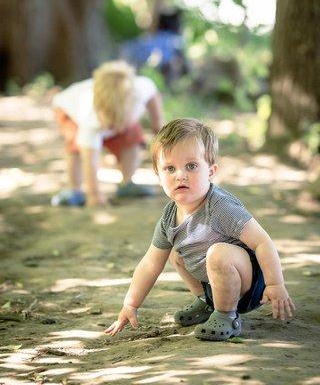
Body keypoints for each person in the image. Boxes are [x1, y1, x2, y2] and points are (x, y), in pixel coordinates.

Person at [105, 118, 295, 341]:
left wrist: (275, 284)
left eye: (192, 166)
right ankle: (208, 302)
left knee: (217, 253)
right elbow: (150, 263)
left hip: (248, 285)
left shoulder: (220, 206)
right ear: (158, 175)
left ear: (211, 171)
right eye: (170, 168)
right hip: (212, 283)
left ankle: (227, 315)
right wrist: (130, 303)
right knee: (175, 252)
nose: (180, 175)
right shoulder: (169, 217)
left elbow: (262, 241)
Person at [51, 60, 164, 207]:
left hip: (115, 115)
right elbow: (90, 158)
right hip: (69, 112)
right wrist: (95, 195)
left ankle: (127, 183)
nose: (115, 129)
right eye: (111, 123)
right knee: (76, 149)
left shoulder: (140, 90)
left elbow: (153, 96)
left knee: (132, 138)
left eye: (119, 122)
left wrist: (158, 125)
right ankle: (75, 191)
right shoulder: (90, 115)